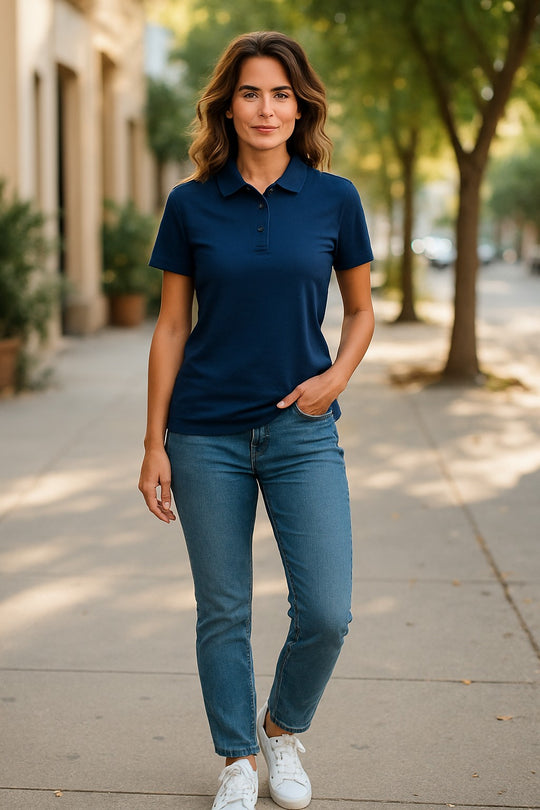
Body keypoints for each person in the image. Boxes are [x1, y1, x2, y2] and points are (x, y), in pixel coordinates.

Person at [138, 30, 374, 810]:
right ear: (227, 106)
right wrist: (153, 446)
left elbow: (362, 311)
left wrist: (333, 378)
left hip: (304, 432)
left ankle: (280, 727)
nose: (266, 108)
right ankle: (237, 759)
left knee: (329, 612)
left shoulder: (335, 198)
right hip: (204, 434)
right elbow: (171, 327)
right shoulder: (190, 204)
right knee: (224, 611)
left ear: (300, 103)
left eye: (280, 93)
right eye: (250, 93)